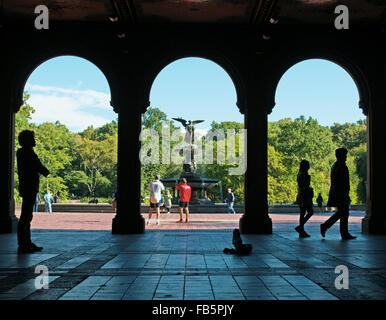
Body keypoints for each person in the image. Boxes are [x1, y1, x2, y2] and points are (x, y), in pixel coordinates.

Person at [16, 130, 50, 253]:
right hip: (29, 187)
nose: (35, 140)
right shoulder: (27, 152)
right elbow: (37, 165)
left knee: (27, 215)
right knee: (26, 216)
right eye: (33, 138)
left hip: (27, 187)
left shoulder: (21, 152)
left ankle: (26, 242)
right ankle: (23, 243)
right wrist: (46, 172)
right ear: (28, 140)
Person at [321, 148, 356, 240]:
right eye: (345, 155)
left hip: (336, 193)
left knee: (341, 213)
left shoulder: (334, 166)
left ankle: (328, 227)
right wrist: (346, 193)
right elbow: (344, 182)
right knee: (344, 213)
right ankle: (343, 233)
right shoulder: (342, 167)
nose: (346, 157)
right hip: (341, 194)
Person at [295, 159, 314, 238]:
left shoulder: (300, 174)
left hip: (301, 195)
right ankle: (300, 228)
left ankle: (301, 230)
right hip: (305, 196)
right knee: (310, 212)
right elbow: (304, 186)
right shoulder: (304, 174)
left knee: (302, 213)